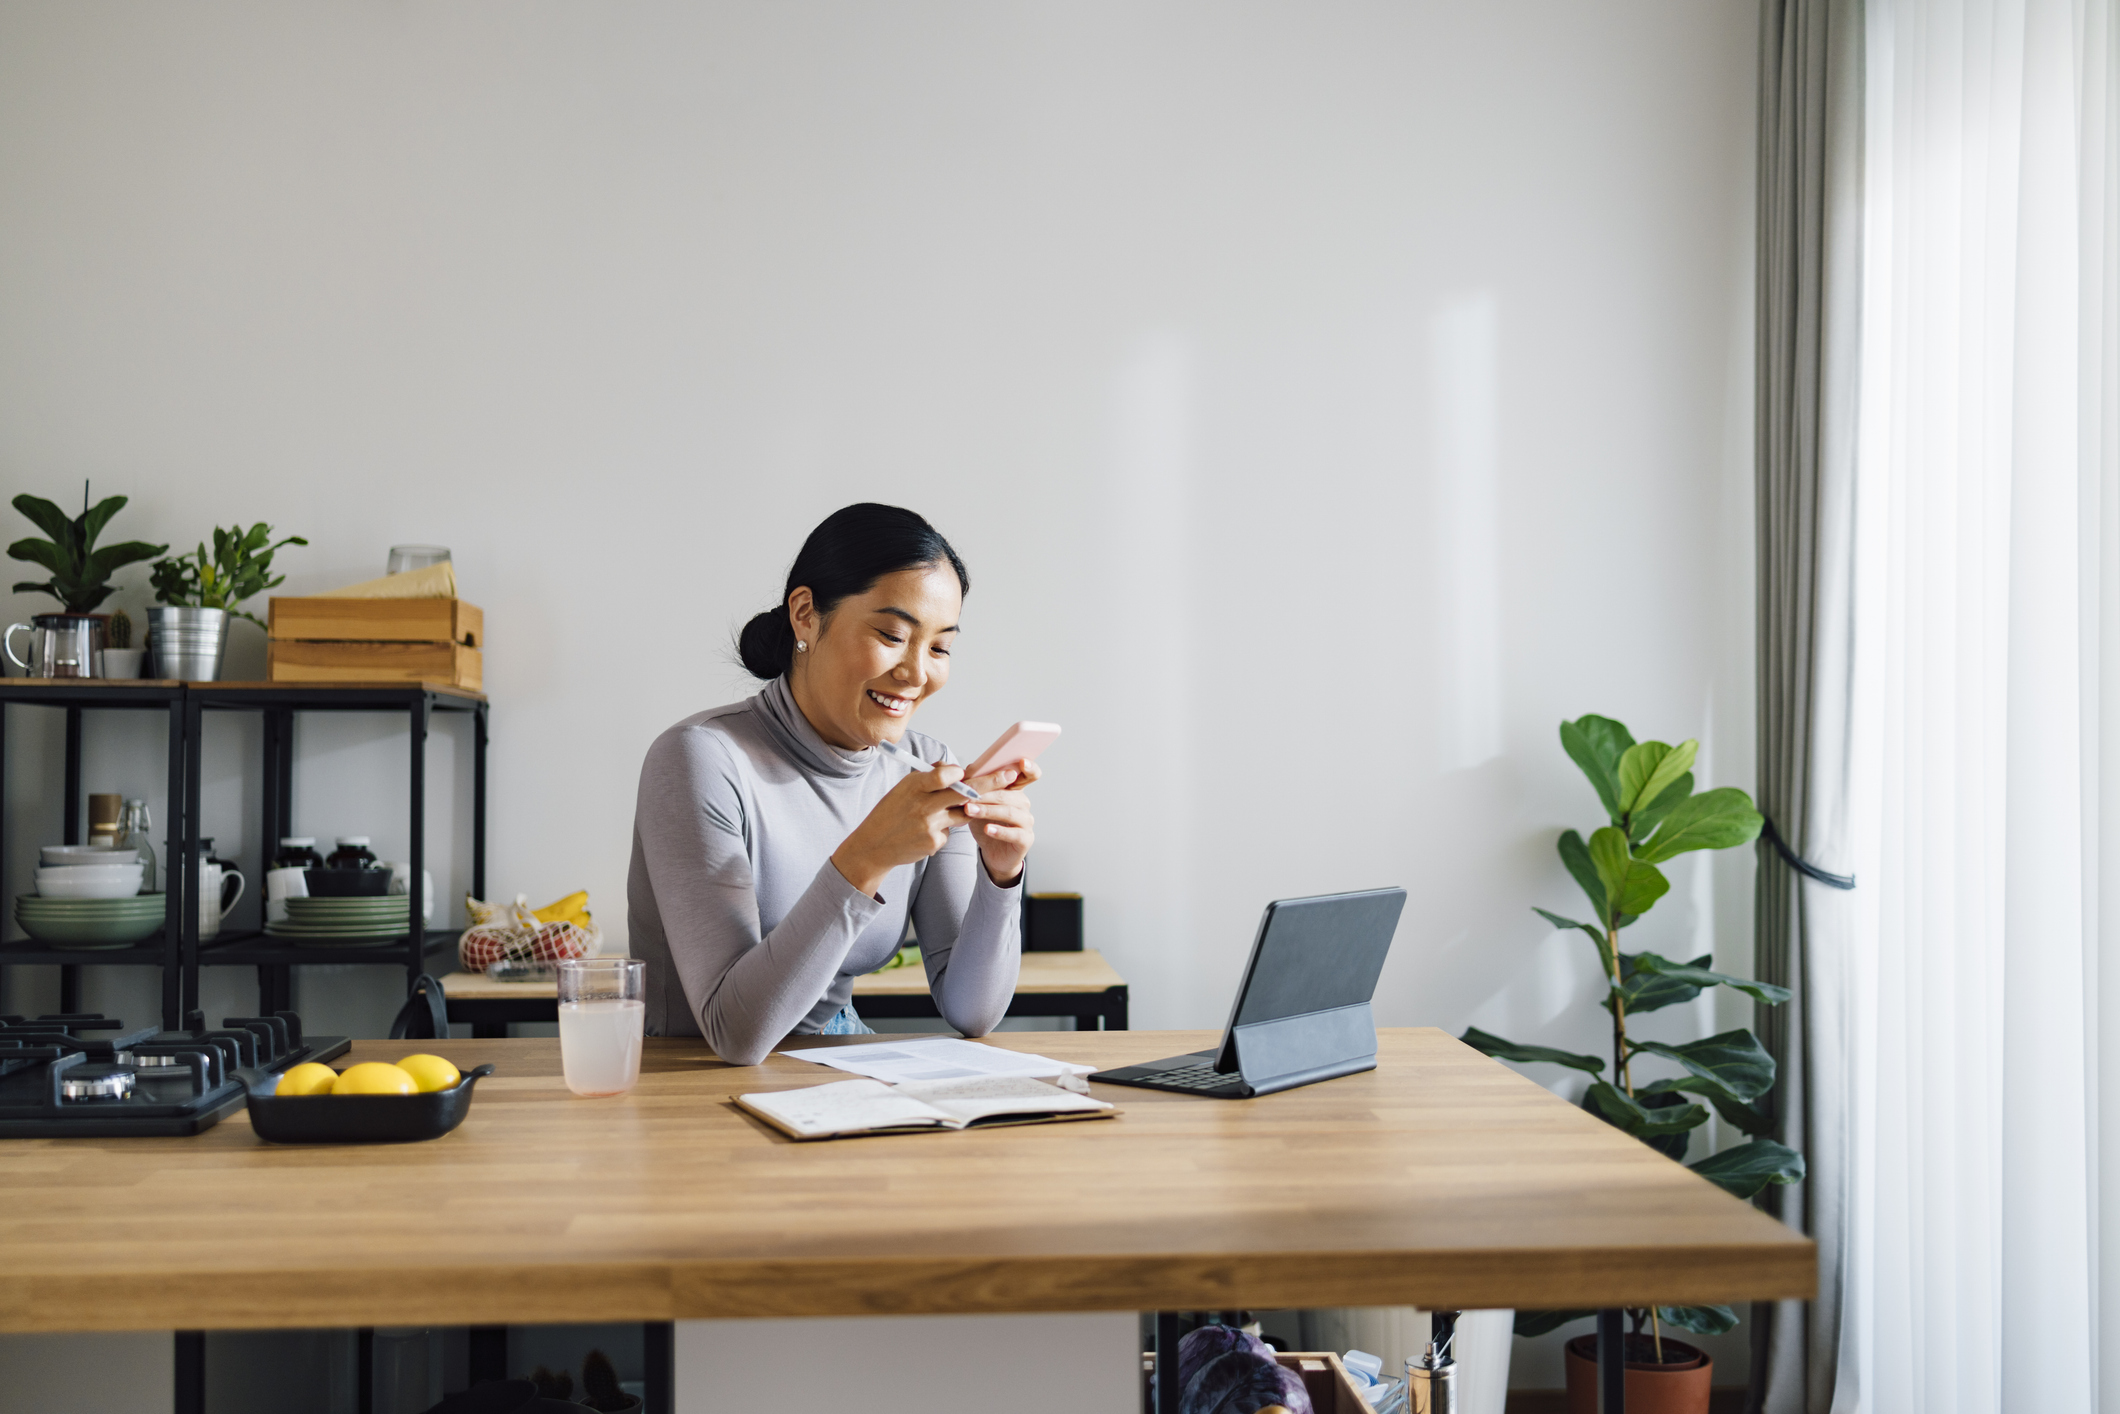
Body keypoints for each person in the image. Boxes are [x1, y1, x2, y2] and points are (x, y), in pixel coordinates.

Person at [627, 503, 1037, 1064]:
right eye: (893, 634)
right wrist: (868, 856)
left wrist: (1001, 872)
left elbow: (972, 1010)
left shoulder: (925, 766)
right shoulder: (700, 759)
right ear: (805, 615)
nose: (917, 673)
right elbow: (735, 1034)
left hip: (839, 1075)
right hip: (697, 1093)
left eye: (940, 647)